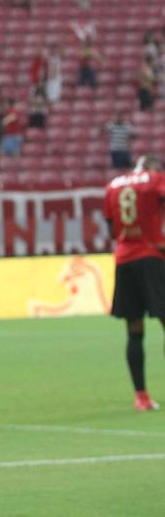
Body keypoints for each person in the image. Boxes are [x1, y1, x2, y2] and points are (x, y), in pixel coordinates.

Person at [102, 155, 165, 411]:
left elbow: (111, 229)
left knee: (134, 330)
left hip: (124, 259)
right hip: (152, 256)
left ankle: (141, 396)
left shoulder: (113, 185)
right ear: (152, 168)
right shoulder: (155, 180)